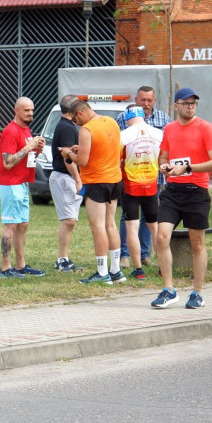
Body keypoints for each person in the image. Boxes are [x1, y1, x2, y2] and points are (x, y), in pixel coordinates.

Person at [151, 88, 212, 310]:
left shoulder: (205, 128)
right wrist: (164, 165)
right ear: (176, 106)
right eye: (186, 103)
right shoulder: (170, 129)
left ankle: (197, 293)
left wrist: (188, 167)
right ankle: (169, 290)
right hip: (173, 191)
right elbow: (163, 156)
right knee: (162, 238)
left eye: (193, 103)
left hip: (197, 191)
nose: (190, 106)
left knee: (197, 243)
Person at [60, 99, 125, 285]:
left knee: (98, 227)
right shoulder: (110, 122)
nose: (75, 123)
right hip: (114, 180)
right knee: (110, 224)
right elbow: (107, 148)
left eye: (74, 119)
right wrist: (82, 149)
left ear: (80, 113)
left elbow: (82, 161)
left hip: (97, 182)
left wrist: (67, 154)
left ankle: (102, 272)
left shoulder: (87, 130)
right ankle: (116, 271)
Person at [114, 86, 170, 267]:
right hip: (138, 181)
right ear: (137, 100)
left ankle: (142, 259)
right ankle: (126, 254)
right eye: (143, 100)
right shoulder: (122, 119)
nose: (146, 103)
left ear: (154, 101)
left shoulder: (163, 119)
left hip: (150, 181)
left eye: (150, 100)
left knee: (145, 221)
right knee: (135, 220)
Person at [0, 97, 47, 279]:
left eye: (32, 110)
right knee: (11, 225)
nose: (30, 113)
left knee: (23, 225)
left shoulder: (26, 129)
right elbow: (8, 162)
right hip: (10, 184)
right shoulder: (10, 131)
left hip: (22, 182)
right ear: (16, 110)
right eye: (26, 110)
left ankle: (20, 265)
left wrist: (38, 148)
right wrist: (29, 146)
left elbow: (27, 155)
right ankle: (5, 268)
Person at [119, 106, 163, 280]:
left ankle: (138, 270)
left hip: (130, 187)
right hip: (151, 186)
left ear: (128, 118)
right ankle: (163, 266)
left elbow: (118, 160)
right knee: (155, 227)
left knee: (132, 227)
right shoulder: (158, 134)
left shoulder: (123, 135)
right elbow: (163, 158)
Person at [49, 95, 83, 273]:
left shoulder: (66, 126)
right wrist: (77, 179)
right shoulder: (67, 128)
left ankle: (64, 258)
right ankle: (62, 260)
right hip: (64, 177)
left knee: (70, 220)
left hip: (65, 177)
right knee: (68, 220)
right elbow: (68, 158)